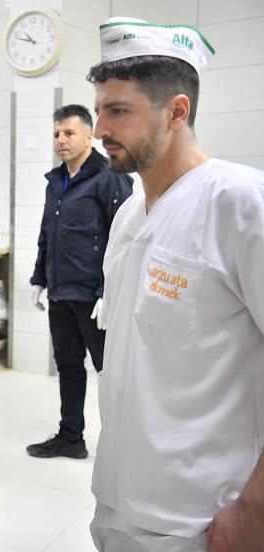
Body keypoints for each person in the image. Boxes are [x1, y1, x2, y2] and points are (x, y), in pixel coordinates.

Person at [87, 18, 264, 551]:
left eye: (118, 111)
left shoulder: (240, 203)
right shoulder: (129, 215)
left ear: (177, 111)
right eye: (99, 111)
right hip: (119, 497)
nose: (99, 130)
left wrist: (254, 507)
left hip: (202, 514)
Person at [27, 104, 132, 460]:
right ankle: (71, 437)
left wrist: (107, 291)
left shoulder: (109, 177)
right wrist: (39, 278)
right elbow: (47, 232)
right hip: (61, 291)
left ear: (89, 136)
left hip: (94, 298)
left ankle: (124, 443)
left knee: (109, 371)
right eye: (56, 134)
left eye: (69, 133)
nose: (61, 140)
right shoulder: (56, 181)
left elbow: (124, 238)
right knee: (69, 367)